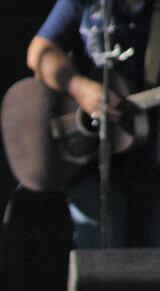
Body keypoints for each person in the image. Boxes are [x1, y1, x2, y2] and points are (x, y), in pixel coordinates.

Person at [26, 0, 160, 248]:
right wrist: (80, 88)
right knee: (99, 268)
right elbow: (39, 52)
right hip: (92, 161)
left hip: (152, 164)